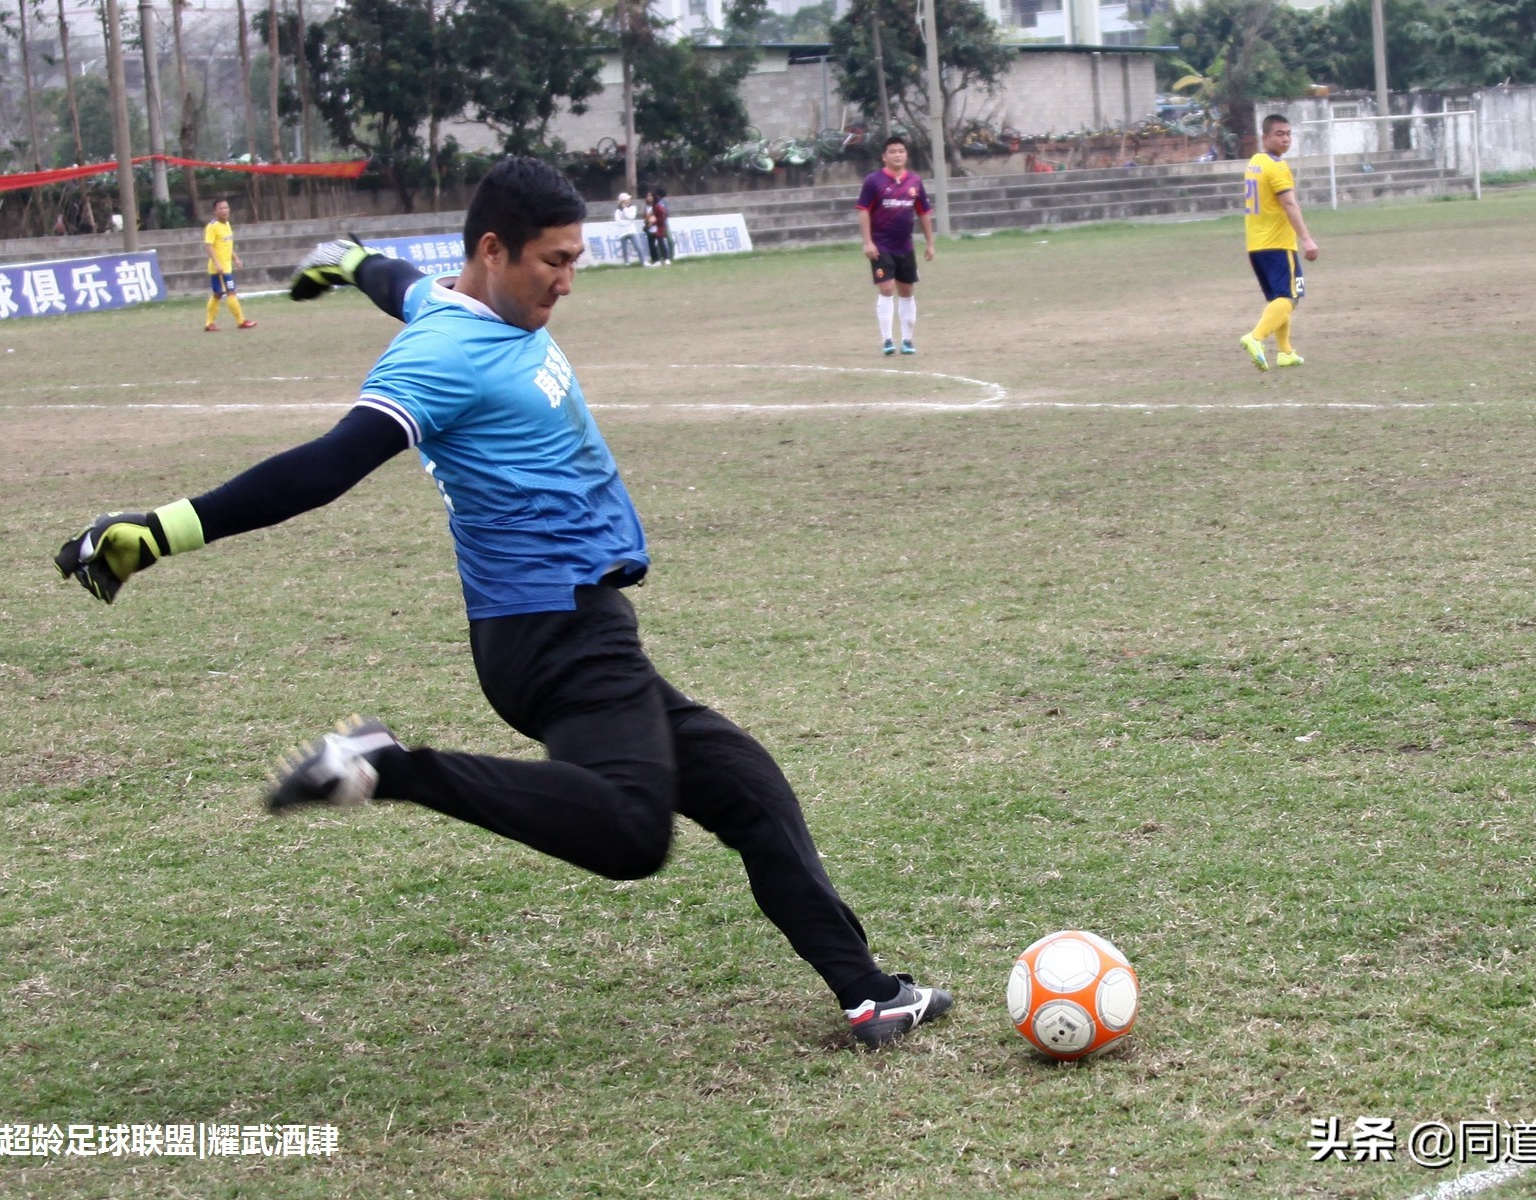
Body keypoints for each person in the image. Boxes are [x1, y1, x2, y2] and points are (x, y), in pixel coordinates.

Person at [52, 156, 952, 1051]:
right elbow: (326, 467)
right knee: (633, 835)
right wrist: (161, 531)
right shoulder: (443, 355)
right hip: (549, 631)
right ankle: (387, 767)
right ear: (494, 248)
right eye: (553, 261)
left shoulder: (454, 302)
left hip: (583, 625)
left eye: (575, 258)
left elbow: (402, 283)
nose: (568, 280)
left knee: (745, 786)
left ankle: (869, 994)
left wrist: (347, 258)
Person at [1240, 113, 1318, 370]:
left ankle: (1285, 352)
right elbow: (1289, 203)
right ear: (1265, 138)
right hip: (1277, 243)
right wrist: (1306, 239)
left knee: (1278, 298)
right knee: (1290, 297)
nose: (1285, 139)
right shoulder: (1277, 166)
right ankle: (1256, 337)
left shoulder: (1255, 162)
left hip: (1256, 245)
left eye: (1288, 133)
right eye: (1279, 134)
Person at [855, 136, 935, 356]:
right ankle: (887, 340)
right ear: (884, 156)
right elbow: (863, 210)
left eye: (901, 151)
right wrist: (867, 242)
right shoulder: (874, 181)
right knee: (887, 288)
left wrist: (930, 243)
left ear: (906, 155)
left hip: (905, 246)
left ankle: (908, 340)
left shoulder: (914, 182)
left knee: (907, 290)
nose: (897, 154)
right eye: (892, 151)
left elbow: (924, 213)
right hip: (881, 246)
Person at [202, 198, 258, 332]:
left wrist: (236, 259)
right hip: (220, 268)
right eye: (221, 208)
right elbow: (209, 246)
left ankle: (209, 323)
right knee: (231, 292)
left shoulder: (226, 224)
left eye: (226, 207)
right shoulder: (212, 226)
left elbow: (227, 245)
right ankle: (241, 321)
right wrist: (217, 263)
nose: (225, 210)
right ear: (215, 211)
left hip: (226, 266)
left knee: (217, 294)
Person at [613, 191, 648, 266]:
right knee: (624, 248)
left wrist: (625, 209)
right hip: (622, 232)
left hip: (632, 231)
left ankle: (643, 261)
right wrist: (628, 222)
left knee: (638, 246)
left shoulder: (632, 208)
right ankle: (626, 263)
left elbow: (631, 217)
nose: (629, 200)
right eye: (627, 199)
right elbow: (618, 222)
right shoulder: (618, 211)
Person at [644, 188, 673, 267]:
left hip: (658, 228)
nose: (649, 197)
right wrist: (647, 224)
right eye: (647, 196)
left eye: (650, 196)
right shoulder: (646, 207)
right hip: (650, 229)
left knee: (661, 243)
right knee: (651, 245)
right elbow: (646, 217)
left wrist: (654, 222)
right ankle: (656, 260)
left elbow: (662, 216)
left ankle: (666, 259)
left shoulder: (657, 206)